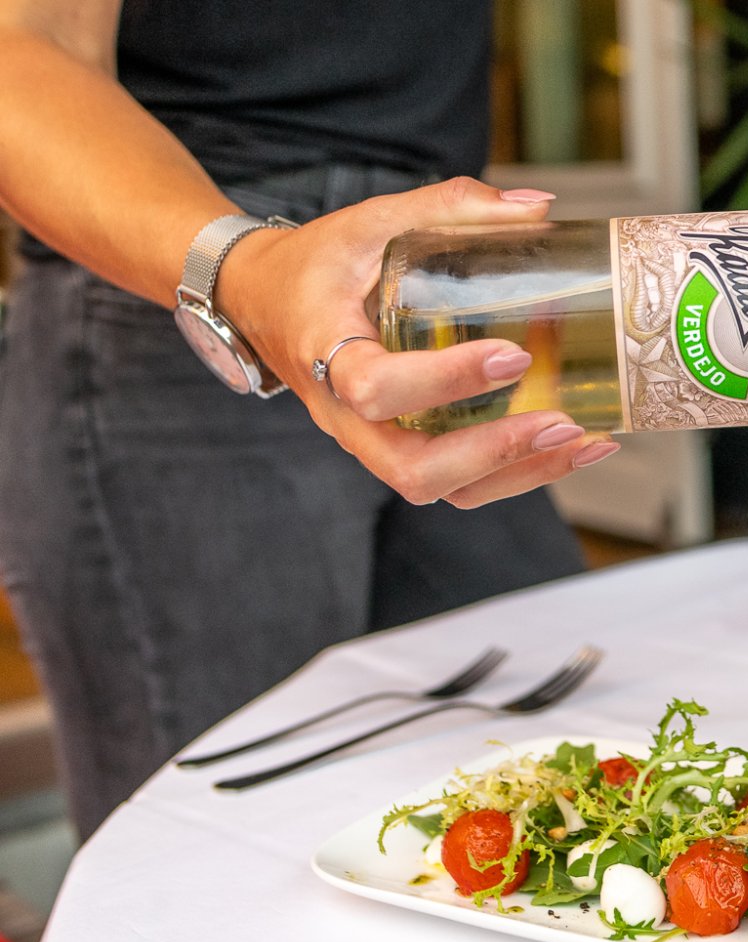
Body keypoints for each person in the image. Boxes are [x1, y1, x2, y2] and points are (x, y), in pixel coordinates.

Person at [0, 1, 617, 836]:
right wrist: (248, 271)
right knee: (222, 842)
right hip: (184, 289)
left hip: (431, 284)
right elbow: (21, 51)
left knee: (557, 782)